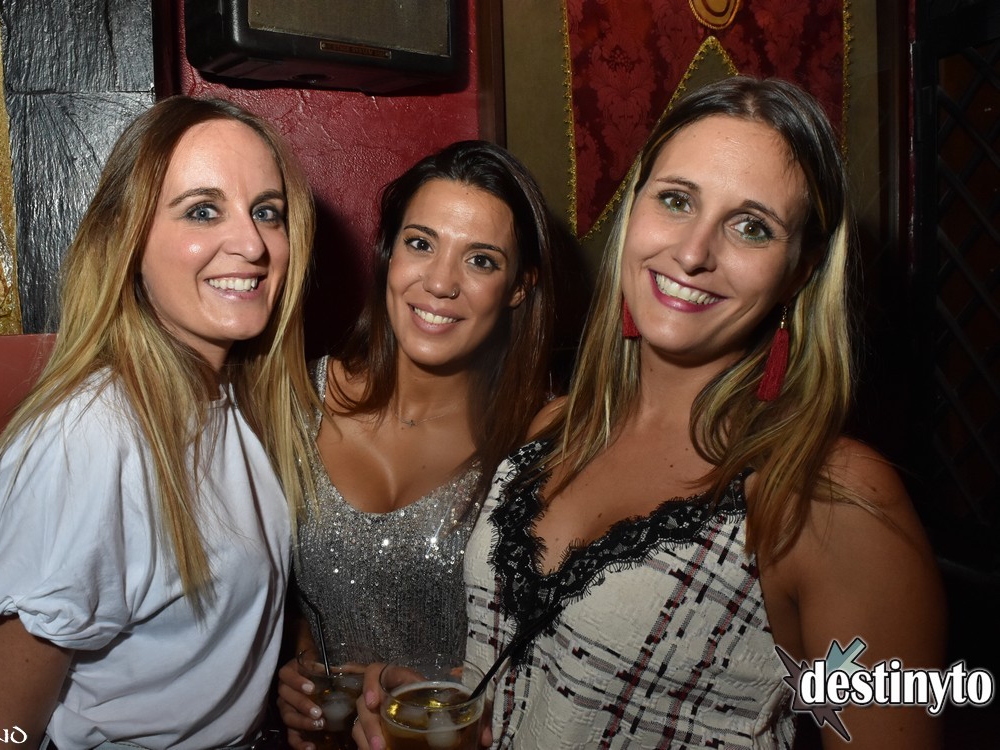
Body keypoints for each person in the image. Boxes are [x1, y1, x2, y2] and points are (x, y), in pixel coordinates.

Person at [356, 77, 946, 749]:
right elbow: (538, 681)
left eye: (751, 227)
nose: (693, 253)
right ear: (632, 209)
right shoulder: (552, 429)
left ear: (799, 270)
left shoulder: (834, 499)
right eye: (675, 200)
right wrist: (444, 714)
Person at [0, 95, 318, 749]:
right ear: (128, 239)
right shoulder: (88, 440)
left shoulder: (235, 400)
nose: (252, 244)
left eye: (267, 212)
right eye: (202, 210)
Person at [277, 141, 564, 750]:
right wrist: (295, 669)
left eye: (480, 260)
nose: (439, 283)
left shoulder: (542, 441)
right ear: (389, 252)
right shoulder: (295, 398)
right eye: (420, 243)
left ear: (519, 286)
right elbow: (277, 594)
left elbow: (559, 650)